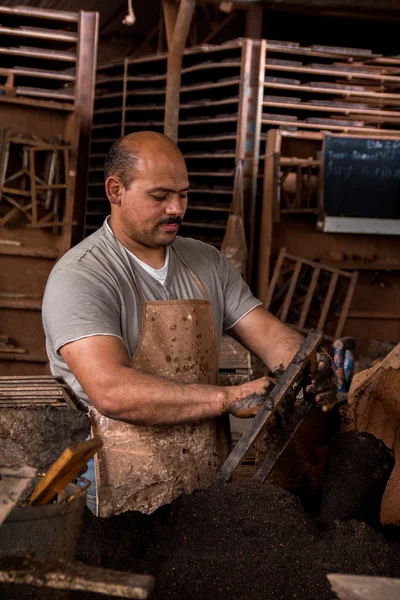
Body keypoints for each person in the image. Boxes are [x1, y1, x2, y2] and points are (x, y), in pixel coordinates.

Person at [42, 131, 334, 518]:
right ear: (116, 190)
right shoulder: (82, 276)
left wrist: (304, 364)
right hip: (112, 489)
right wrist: (228, 398)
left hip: (203, 478)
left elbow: (265, 332)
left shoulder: (205, 261)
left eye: (183, 194)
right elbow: (111, 391)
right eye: (160, 196)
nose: (177, 208)